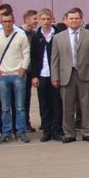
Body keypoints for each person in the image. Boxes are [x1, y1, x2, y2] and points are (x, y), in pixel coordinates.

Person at [51, 8, 89, 143]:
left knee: (86, 105)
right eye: (71, 18)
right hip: (66, 75)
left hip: (86, 74)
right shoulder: (58, 37)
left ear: (81, 20)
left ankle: (87, 132)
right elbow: (55, 59)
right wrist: (54, 77)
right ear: (66, 20)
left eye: (76, 18)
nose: (74, 21)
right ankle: (69, 133)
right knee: (67, 106)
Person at [0, 11, 31, 143]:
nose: (7, 24)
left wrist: (22, 70)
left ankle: (20, 131)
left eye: (10, 21)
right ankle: (6, 132)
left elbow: (26, 53)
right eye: (4, 21)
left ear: (13, 21)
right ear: (1, 22)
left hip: (18, 75)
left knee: (20, 106)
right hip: (3, 76)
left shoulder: (21, 35)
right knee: (5, 107)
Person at [29, 8, 63, 142]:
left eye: (49, 19)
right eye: (43, 19)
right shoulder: (36, 36)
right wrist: (34, 76)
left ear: (52, 20)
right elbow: (33, 57)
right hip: (42, 74)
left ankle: (56, 130)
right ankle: (47, 130)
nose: (46, 21)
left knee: (57, 103)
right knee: (44, 104)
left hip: (55, 75)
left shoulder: (58, 34)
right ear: (39, 20)